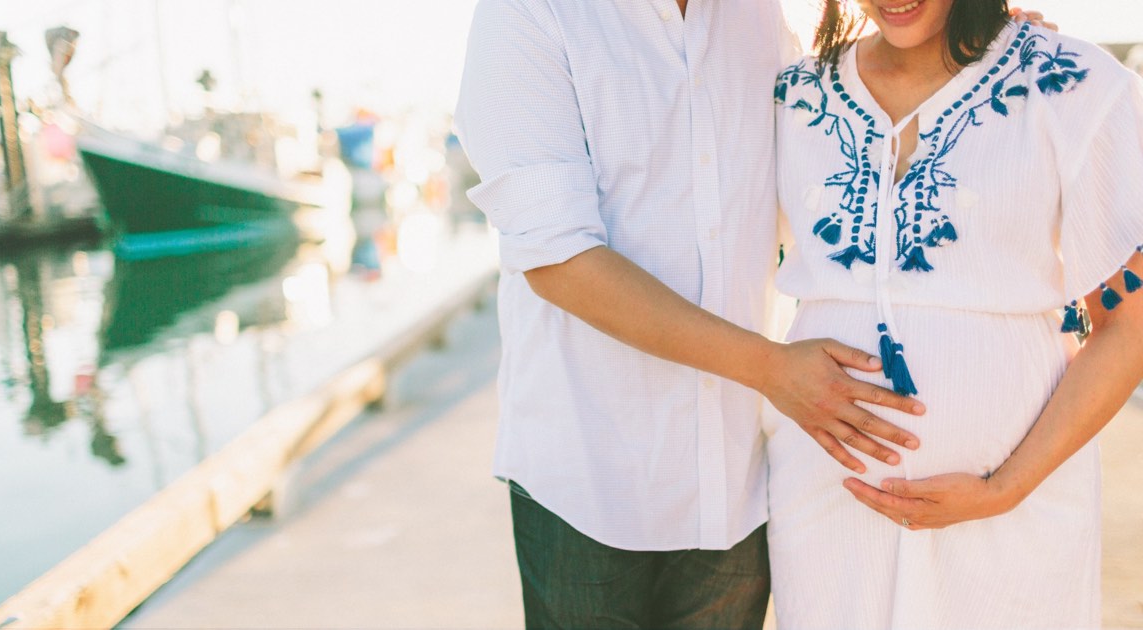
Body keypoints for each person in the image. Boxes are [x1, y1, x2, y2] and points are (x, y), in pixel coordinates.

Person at [453, 1, 931, 627]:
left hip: (733, 483)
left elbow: (837, 155)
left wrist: (976, 60)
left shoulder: (759, 14)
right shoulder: (528, 13)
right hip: (588, 478)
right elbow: (558, 260)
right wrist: (774, 370)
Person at [766, 1, 1143, 627]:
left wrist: (1005, 489)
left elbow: (1129, 327)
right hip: (828, 506)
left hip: (1018, 509)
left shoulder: (1076, 84)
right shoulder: (793, 95)